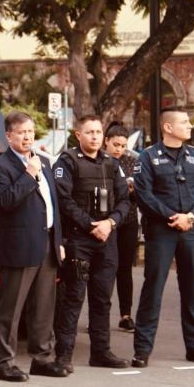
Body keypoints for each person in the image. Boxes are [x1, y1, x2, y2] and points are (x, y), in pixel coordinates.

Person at [130, 110, 194, 368]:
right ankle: (142, 349)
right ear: (167, 127)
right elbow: (144, 195)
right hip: (161, 231)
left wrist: (190, 216)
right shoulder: (148, 157)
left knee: (191, 291)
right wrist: (172, 216)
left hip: (190, 230)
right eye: (184, 122)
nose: (190, 126)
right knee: (153, 289)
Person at [0, 112, 68, 382]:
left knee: (44, 306)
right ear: (9, 135)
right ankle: (4, 362)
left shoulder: (43, 161)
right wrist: (29, 174)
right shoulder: (0, 167)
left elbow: (53, 205)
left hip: (47, 243)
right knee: (11, 308)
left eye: (31, 131)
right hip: (19, 246)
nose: (27, 137)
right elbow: (6, 202)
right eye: (21, 132)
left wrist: (58, 241)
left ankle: (42, 358)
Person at [53, 115, 131, 372]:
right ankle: (63, 355)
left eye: (98, 132)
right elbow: (63, 200)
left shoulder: (111, 163)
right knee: (73, 297)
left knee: (102, 298)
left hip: (107, 237)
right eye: (90, 132)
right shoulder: (67, 161)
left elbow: (124, 200)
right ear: (78, 135)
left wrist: (110, 223)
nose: (95, 136)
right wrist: (90, 225)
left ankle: (101, 352)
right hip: (80, 238)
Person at [104, 123, 138, 332]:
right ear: (106, 141)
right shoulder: (100, 161)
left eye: (123, 146)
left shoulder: (132, 161)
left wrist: (133, 190)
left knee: (124, 269)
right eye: (115, 144)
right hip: (106, 221)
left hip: (128, 220)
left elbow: (142, 193)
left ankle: (126, 314)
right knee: (104, 269)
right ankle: (100, 315)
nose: (119, 149)